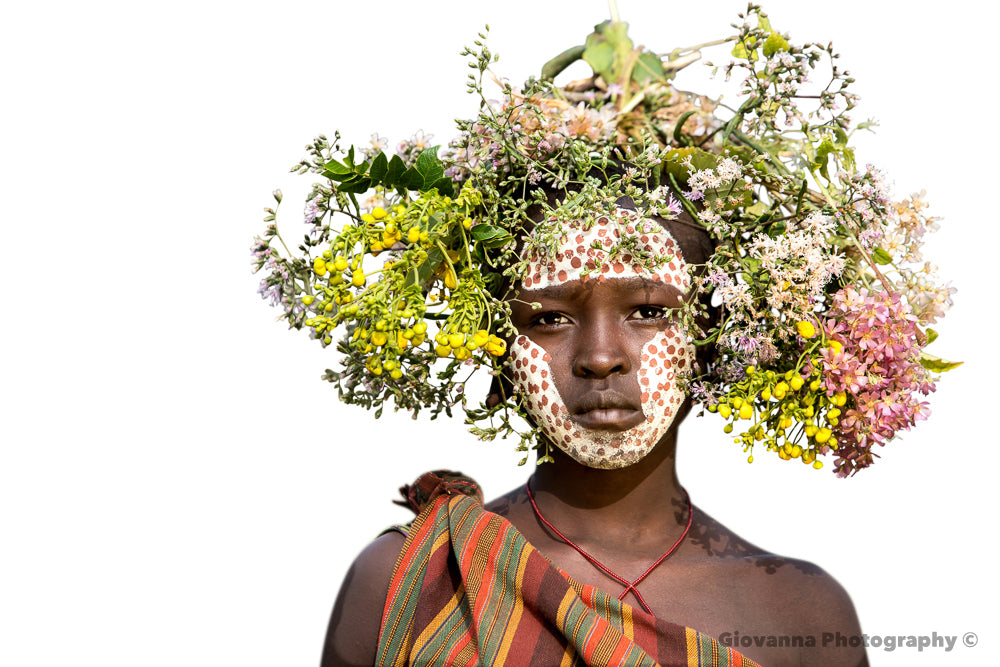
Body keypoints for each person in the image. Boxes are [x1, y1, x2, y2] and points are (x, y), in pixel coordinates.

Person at [319, 202, 869, 667]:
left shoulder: (802, 610)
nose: (601, 357)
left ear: (713, 343)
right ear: (496, 350)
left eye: (648, 310)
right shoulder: (415, 579)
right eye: (551, 318)